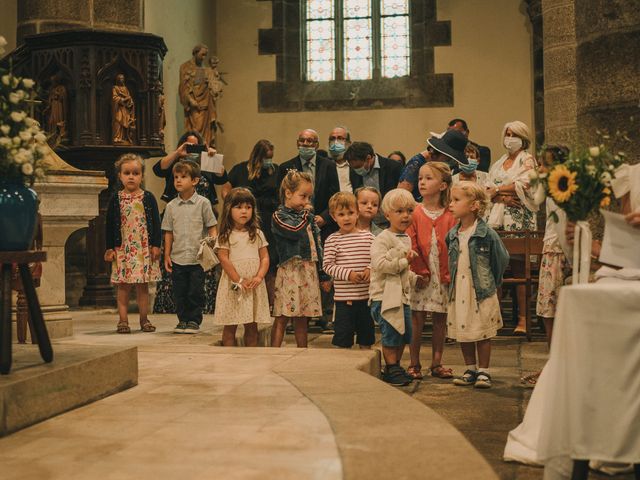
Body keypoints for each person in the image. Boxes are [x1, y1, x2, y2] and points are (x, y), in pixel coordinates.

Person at [152, 130, 229, 315]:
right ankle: (173, 309)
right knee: (177, 272)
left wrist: (212, 155)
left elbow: (223, 177)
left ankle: (200, 309)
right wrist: (178, 153)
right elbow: (157, 169)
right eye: (188, 145)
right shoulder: (176, 167)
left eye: (196, 145)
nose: (192, 149)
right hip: (177, 216)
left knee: (198, 272)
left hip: (201, 217)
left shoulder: (206, 164)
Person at [447, 181, 509, 389]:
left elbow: (501, 258)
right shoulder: (453, 234)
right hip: (460, 288)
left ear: (474, 205)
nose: (451, 204)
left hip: (480, 289)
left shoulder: (486, 233)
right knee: (463, 329)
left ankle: (484, 370)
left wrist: (493, 281)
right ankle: (470, 367)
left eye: (456, 200)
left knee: (482, 330)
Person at [522, 146, 571, 386]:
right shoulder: (551, 192)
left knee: (552, 312)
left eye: (544, 165)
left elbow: (563, 228)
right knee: (548, 312)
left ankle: (555, 367)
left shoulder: (562, 192)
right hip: (552, 251)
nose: (540, 169)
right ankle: (553, 364)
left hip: (557, 253)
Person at [486, 121, 538, 335]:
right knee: (495, 270)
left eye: (514, 134)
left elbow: (525, 184)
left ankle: (523, 319)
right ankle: (495, 318)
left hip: (519, 220)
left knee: (519, 270)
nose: (510, 138)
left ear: (523, 137)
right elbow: (486, 188)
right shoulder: (499, 162)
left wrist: (498, 190)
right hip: (496, 220)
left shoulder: (527, 159)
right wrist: (501, 195)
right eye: (507, 134)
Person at [406, 162, 457, 380]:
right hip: (421, 272)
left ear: (443, 185)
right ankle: (414, 362)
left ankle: (437, 362)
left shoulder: (451, 213)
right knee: (417, 318)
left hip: (442, 273)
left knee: (440, 318)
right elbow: (411, 242)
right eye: (420, 179)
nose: (422, 182)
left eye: (428, 178)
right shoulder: (415, 212)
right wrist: (420, 271)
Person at [271, 170, 330, 348]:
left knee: (303, 316)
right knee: (283, 315)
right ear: (288, 193)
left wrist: (323, 274)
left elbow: (317, 245)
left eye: (309, 197)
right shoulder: (279, 216)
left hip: (308, 270)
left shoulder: (308, 218)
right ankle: (273, 351)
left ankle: (302, 352)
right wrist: (306, 214)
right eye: (303, 196)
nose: (307, 202)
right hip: (291, 270)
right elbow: (294, 231)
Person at [104, 153, 161, 334]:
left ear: (142, 176)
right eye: (127, 173)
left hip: (143, 249)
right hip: (123, 249)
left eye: (135, 173)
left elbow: (156, 223)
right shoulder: (116, 199)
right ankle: (123, 321)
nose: (131, 176)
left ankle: (144, 320)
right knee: (123, 286)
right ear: (119, 176)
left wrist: (156, 245)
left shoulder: (148, 198)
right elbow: (110, 225)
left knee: (143, 286)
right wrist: (110, 247)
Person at [369, 188, 420, 386]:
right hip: (384, 296)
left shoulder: (405, 237)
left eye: (409, 210)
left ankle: (396, 365)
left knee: (403, 332)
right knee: (391, 332)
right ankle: (390, 367)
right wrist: (404, 263)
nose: (405, 215)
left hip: (402, 295)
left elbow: (403, 272)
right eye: (399, 211)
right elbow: (380, 266)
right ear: (387, 214)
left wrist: (414, 278)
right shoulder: (382, 238)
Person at [162, 160, 218, 334]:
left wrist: (212, 244)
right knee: (179, 291)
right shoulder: (171, 206)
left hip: (197, 257)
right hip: (178, 256)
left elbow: (212, 227)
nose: (178, 180)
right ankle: (182, 320)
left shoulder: (203, 203)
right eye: (176, 177)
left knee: (195, 291)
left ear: (194, 181)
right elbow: (168, 232)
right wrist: (167, 254)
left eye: (183, 177)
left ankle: (194, 320)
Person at [212, 188, 271, 346]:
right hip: (234, 285)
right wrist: (238, 279)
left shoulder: (257, 234)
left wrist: (259, 276)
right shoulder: (225, 235)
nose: (244, 211)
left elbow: (265, 257)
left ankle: (250, 358)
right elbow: (223, 258)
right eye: (238, 207)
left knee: (252, 325)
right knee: (230, 325)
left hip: (253, 285)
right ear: (228, 209)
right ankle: (229, 357)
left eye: (248, 207)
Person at [226, 139, 280, 304]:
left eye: (270, 157)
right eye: (265, 157)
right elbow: (226, 189)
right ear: (257, 156)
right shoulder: (240, 169)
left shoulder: (275, 170)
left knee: (269, 260)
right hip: (246, 218)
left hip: (269, 219)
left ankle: (269, 301)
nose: (268, 161)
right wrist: (233, 204)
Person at [323, 192, 376, 349]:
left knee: (366, 339)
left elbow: (377, 259)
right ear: (334, 217)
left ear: (357, 213)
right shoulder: (332, 240)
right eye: (341, 214)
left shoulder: (369, 237)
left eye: (350, 213)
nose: (346, 218)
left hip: (366, 299)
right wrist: (348, 274)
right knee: (343, 340)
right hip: (344, 301)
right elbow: (328, 265)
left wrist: (370, 269)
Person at [344, 141, 403, 228]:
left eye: (358, 167)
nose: (356, 170)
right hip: (367, 224)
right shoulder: (353, 171)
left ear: (368, 158)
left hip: (391, 222)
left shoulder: (393, 167)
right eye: (353, 168)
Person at [398, 129, 468, 201]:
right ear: (441, 152)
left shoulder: (436, 166)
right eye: (449, 158)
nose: (450, 161)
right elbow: (400, 197)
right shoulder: (415, 165)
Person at [179, 44, 218, 146]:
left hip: (206, 105)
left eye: (206, 55)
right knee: (196, 129)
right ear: (195, 53)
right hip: (194, 105)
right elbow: (183, 88)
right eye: (202, 55)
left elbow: (213, 87)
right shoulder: (185, 67)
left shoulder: (205, 70)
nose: (204, 58)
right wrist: (192, 101)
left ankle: (204, 149)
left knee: (206, 131)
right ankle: (196, 149)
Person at [327, 126, 354, 193]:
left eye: (340, 138)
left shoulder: (355, 165)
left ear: (349, 143)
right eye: (332, 139)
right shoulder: (324, 165)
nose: (335, 142)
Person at [111, 73, 136, 145]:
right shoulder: (115, 88)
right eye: (120, 78)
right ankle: (117, 137)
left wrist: (129, 101)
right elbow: (114, 98)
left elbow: (130, 99)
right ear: (117, 80)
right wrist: (122, 100)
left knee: (126, 123)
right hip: (118, 108)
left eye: (123, 78)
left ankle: (124, 138)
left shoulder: (126, 88)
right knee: (118, 121)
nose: (122, 80)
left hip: (125, 109)